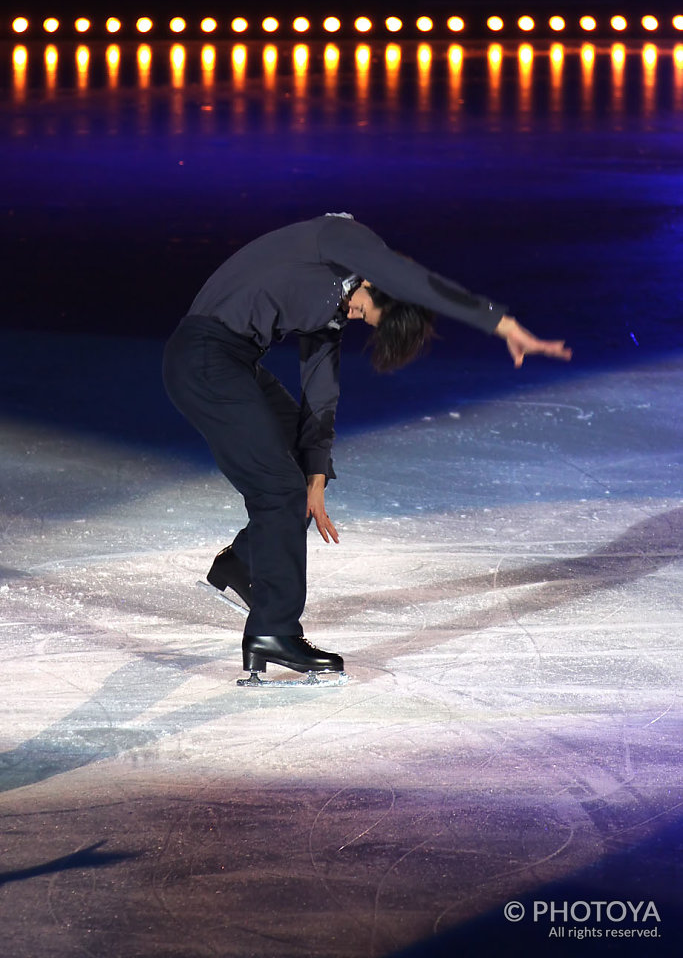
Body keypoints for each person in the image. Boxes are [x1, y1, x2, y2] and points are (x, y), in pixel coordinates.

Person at [162, 213, 571, 683]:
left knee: (296, 469)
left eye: (362, 319)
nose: (356, 317)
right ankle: (273, 631)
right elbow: (418, 281)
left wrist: (316, 477)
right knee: (277, 490)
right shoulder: (340, 237)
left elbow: (320, 395)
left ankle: (244, 562)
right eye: (364, 311)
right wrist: (499, 322)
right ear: (376, 281)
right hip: (205, 358)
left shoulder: (335, 298)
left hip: (229, 362)